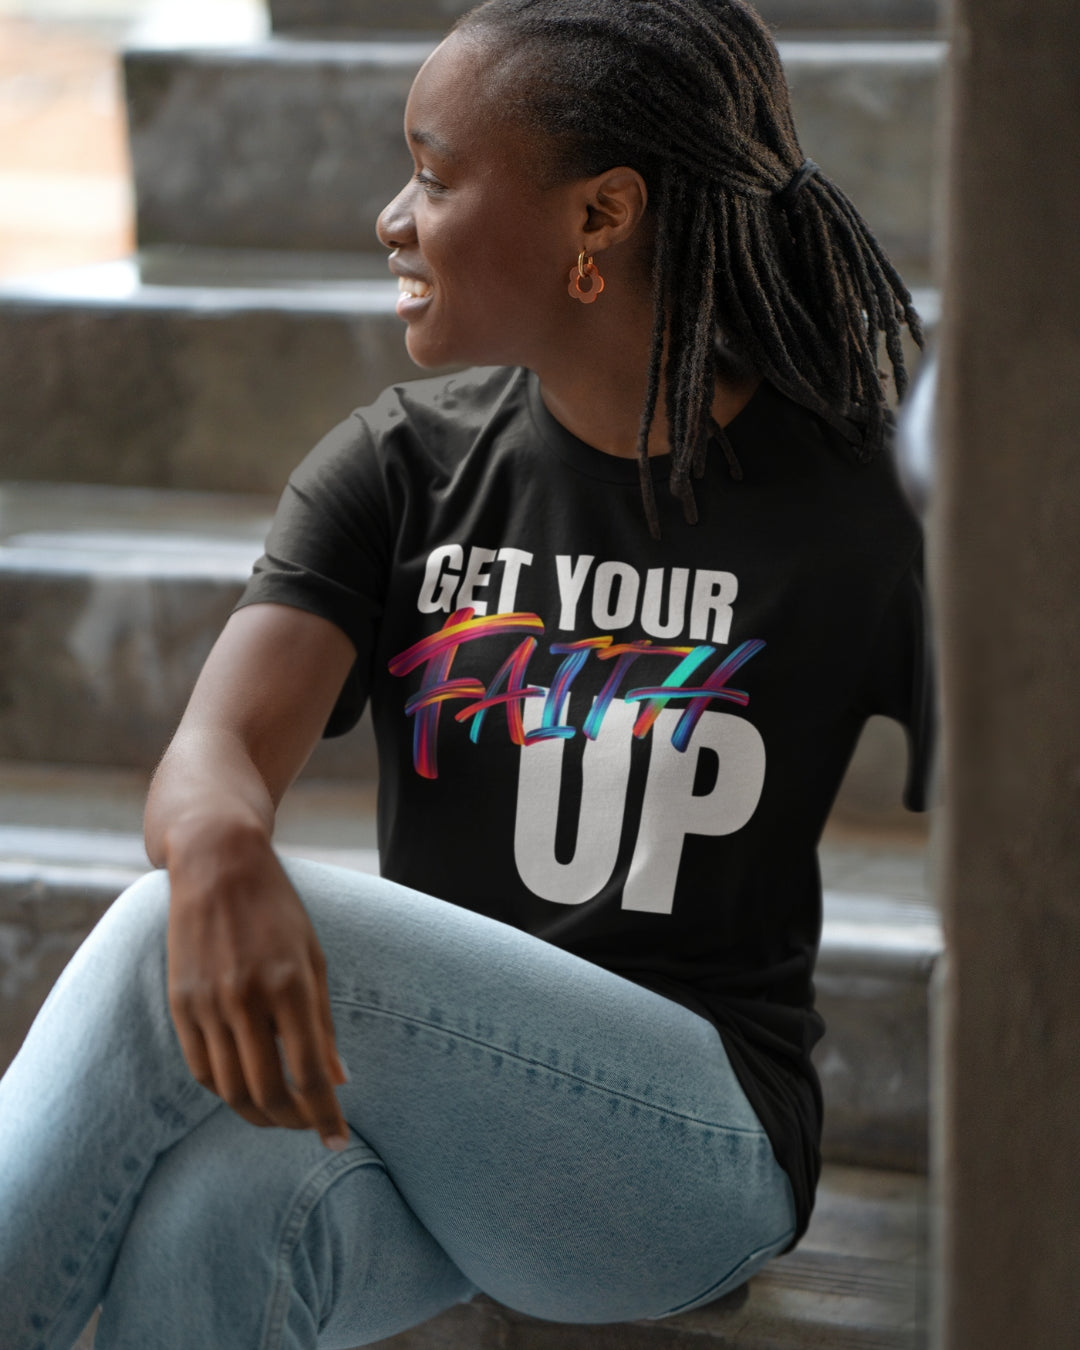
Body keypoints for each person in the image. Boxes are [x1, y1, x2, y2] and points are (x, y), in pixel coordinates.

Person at [0, 1, 933, 1346]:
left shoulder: (851, 507)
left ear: (598, 219)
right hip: (450, 1125)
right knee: (214, 1210)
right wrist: (211, 839)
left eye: (436, 177)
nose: (392, 216)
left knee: (162, 932)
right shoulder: (399, 469)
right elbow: (216, 754)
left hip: (692, 1150)